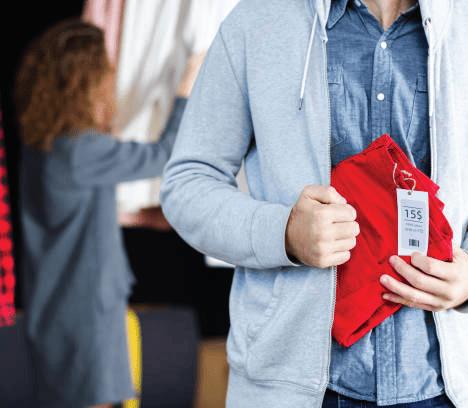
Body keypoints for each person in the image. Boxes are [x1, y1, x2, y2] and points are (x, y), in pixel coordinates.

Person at [161, 0, 468, 407]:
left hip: (443, 387)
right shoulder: (258, 21)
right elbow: (187, 184)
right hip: (293, 388)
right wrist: (284, 233)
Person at [15, 20, 181, 408]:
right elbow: (165, 154)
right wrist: (186, 92)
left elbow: (75, 217)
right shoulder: (81, 151)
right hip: (85, 314)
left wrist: (148, 217)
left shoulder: (44, 147)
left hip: (53, 309)